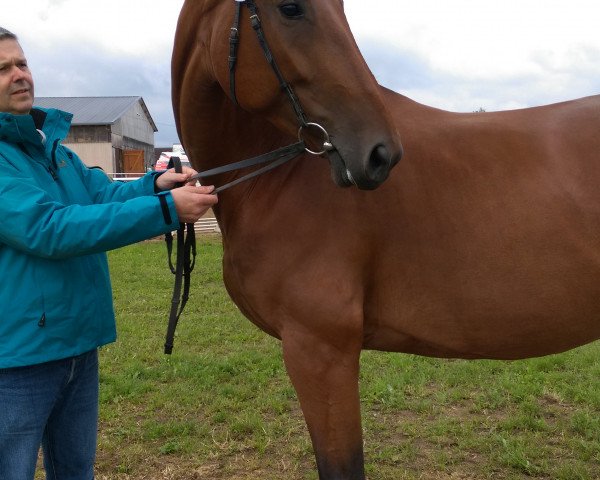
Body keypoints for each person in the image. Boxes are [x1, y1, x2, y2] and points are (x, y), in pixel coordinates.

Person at [0, 27, 218, 479]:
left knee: (76, 471)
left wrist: (154, 185)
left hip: (77, 345)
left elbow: (100, 197)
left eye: (21, 63)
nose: (19, 75)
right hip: (17, 361)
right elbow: (48, 229)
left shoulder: (50, 149)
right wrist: (165, 210)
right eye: (3, 69)